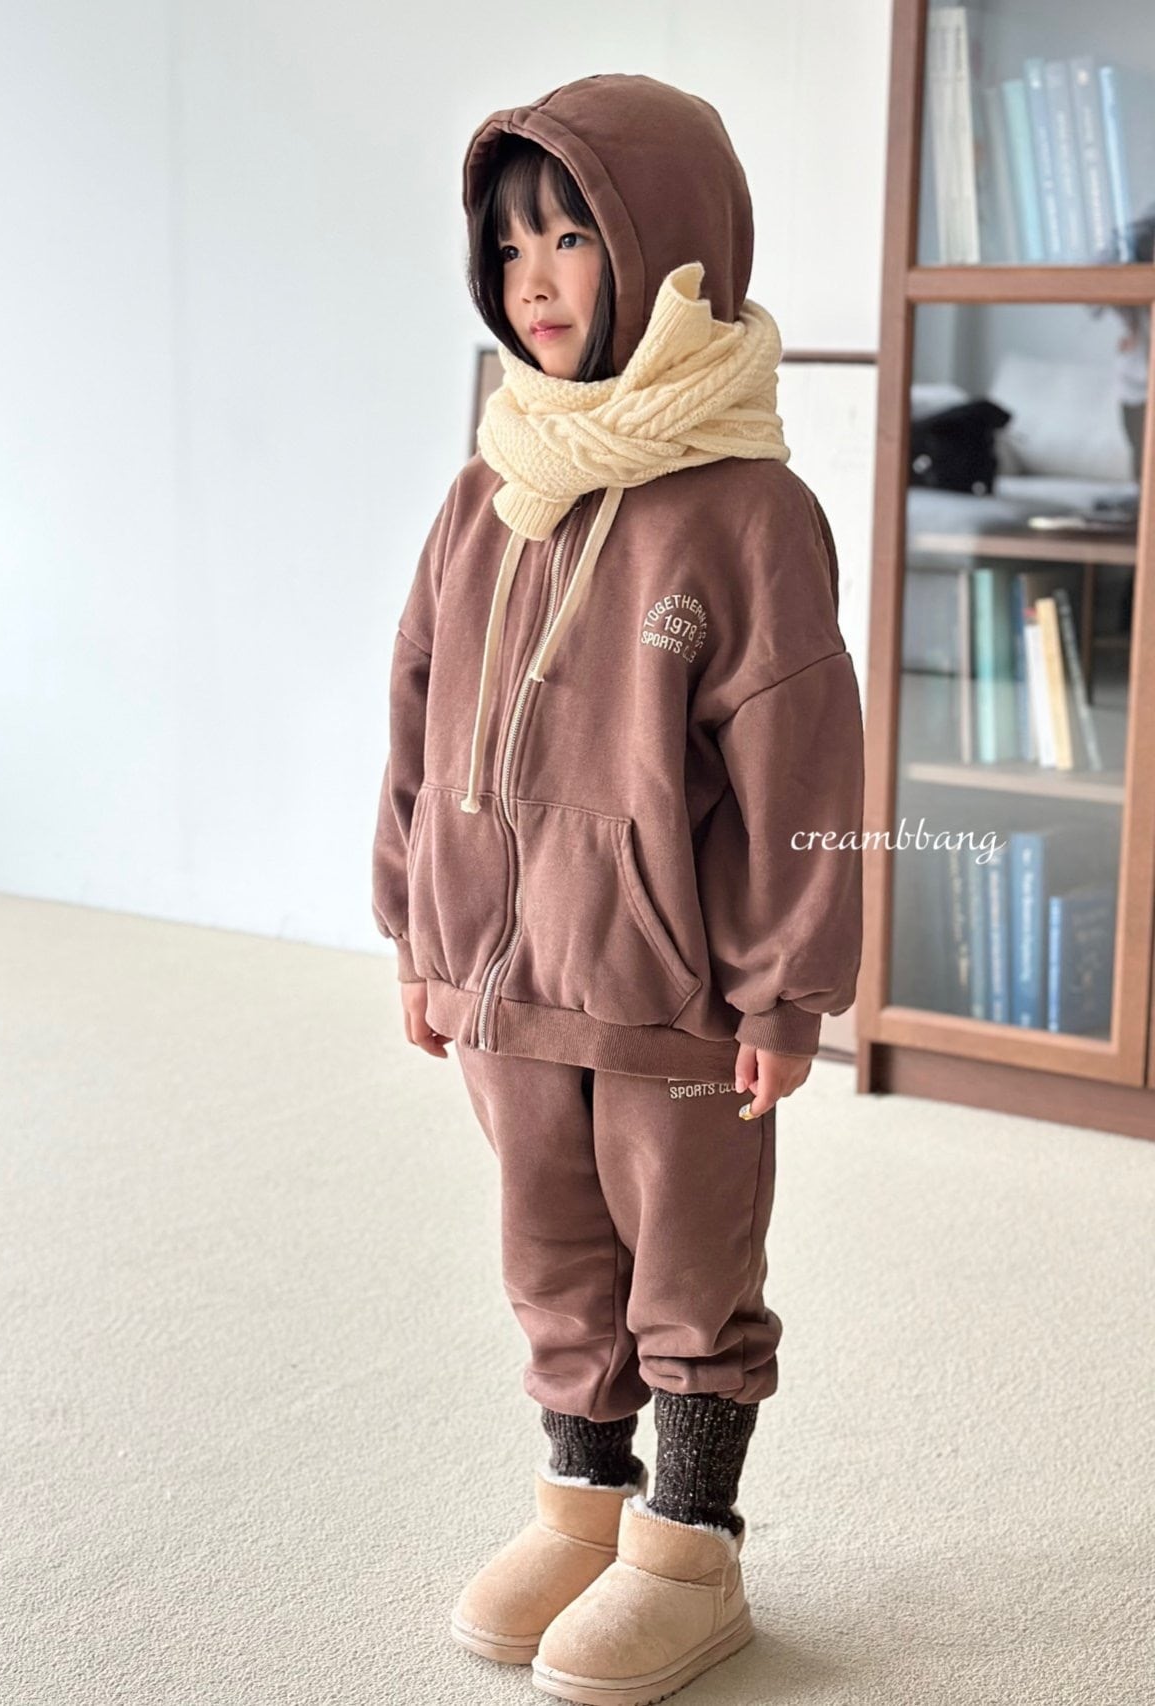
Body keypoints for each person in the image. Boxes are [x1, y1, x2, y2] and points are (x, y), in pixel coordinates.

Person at [371, 72, 864, 1705]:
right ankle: (580, 1515)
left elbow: (802, 769)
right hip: (505, 983)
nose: (535, 275)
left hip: (676, 1001)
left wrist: (787, 989)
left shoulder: (750, 512)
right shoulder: (487, 491)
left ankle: (688, 1550)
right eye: (510, 245)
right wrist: (416, 926)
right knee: (552, 1257)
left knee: (687, 1274)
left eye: (573, 235)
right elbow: (421, 714)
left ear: (671, 251)